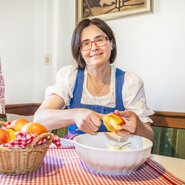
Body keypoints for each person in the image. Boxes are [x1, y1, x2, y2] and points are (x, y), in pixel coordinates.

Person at [33, 18, 154, 141]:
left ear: (111, 44)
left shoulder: (130, 82)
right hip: (74, 153)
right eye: (86, 43)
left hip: (114, 153)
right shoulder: (70, 76)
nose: (94, 47)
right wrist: (74, 114)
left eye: (100, 40)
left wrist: (137, 125)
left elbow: (149, 137)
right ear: (79, 51)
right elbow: (39, 119)